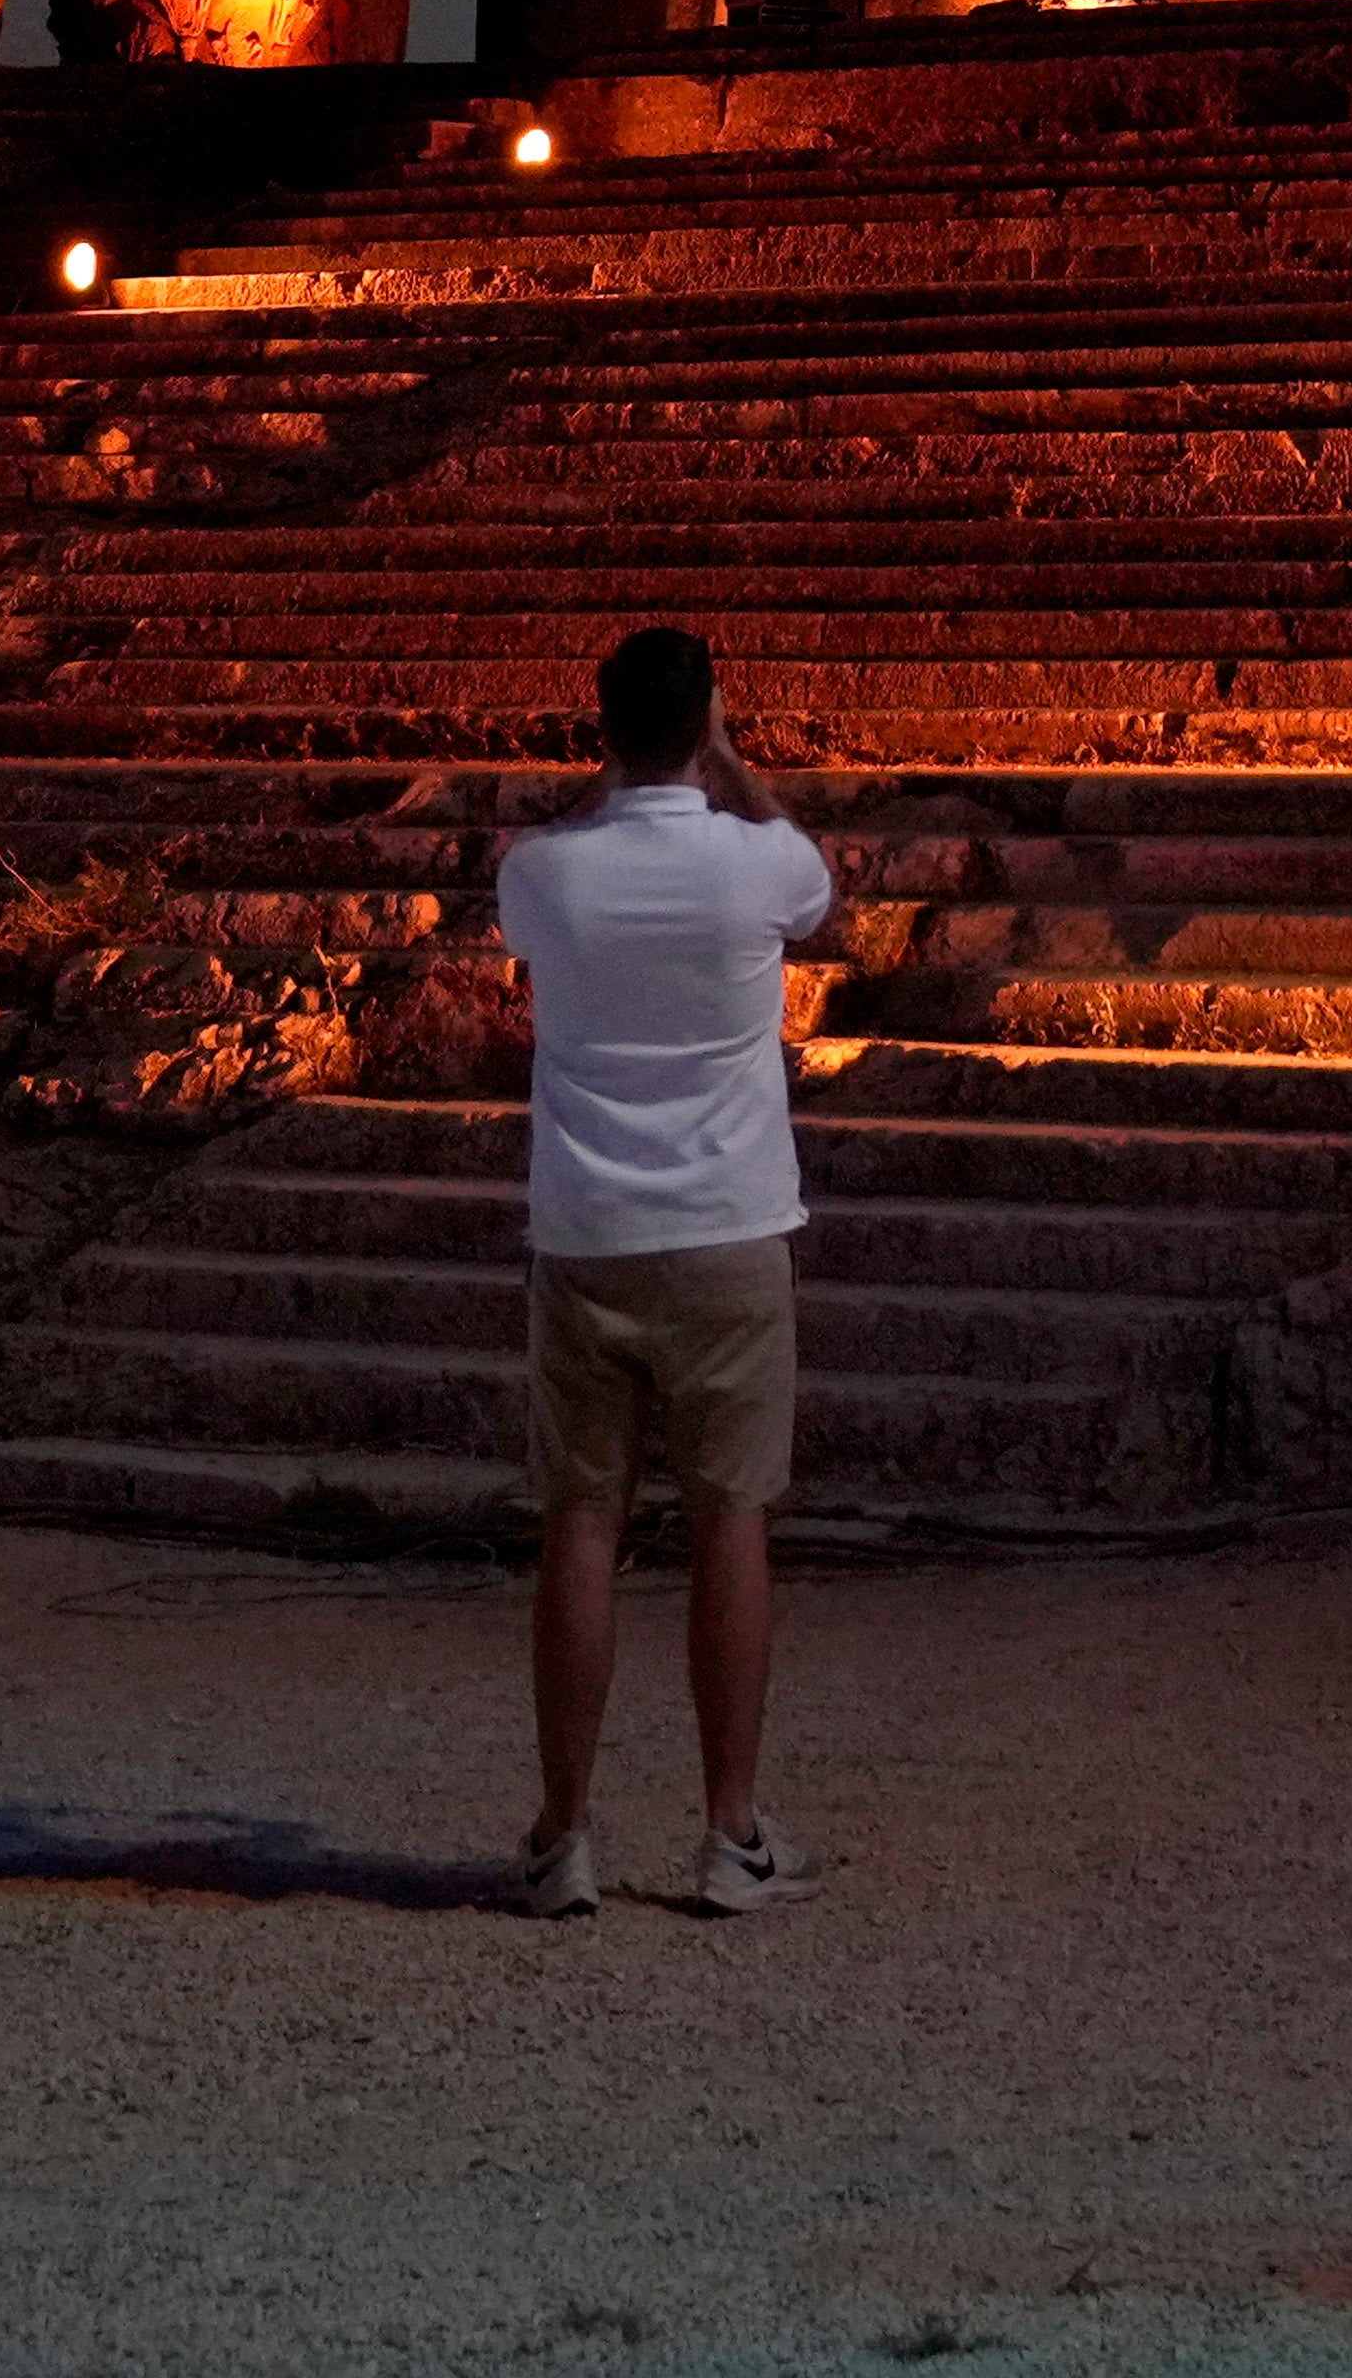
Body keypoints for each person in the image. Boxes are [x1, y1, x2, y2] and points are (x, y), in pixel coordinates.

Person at [494, 623, 836, 1914]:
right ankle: (729, 1831)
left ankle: (566, 1834)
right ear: (705, 722)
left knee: (580, 1523)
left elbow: (552, 857)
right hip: (730, 1229)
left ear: (599, 731)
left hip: (585, 1233)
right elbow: (817, 882)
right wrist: (732, 769)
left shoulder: (547, 873)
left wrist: (616, 782)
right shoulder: (759, 866)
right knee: (729, 1519)